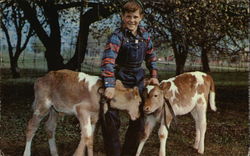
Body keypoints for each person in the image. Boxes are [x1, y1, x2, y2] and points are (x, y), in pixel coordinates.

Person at [100, 0, 159, 155]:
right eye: (128, 17)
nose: (131, 20)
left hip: (137, 80)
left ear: (140, 17)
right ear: (122, 17)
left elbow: (151, 56)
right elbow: (108, 60)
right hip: (119, 79)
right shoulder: (116, 36)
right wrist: (109, 84)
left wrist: (153, 76)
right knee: (110, 119)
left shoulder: (145, 35)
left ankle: (129, 152)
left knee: (139, 119)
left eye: (135, 17)